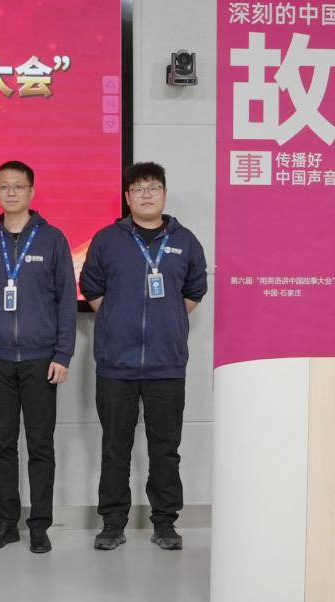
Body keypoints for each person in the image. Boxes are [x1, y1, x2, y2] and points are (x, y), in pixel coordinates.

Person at [79, 161, 207, 551]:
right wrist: (118, 320)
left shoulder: (186, 241)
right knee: (114, 447)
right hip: (116, 365)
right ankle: (112, 524)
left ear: (164, 194)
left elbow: (194, 291)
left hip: (166, 365)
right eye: (138, 189)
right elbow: (92, 288)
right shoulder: (107, 240)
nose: (146, 194)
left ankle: (165, 523)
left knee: (165, 449)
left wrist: (166, 321)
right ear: (127, 197)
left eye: (153, 187)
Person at [0, 161, 76, 554]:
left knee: (40, 444)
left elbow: (66, 301)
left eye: (18, 186)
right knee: (2, 444)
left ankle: (40, 525)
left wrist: (63, 353)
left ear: (31, 191)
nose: (11, 192)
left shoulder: (53, 239)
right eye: (4, 186)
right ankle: (6, 523)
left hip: (41, 359)